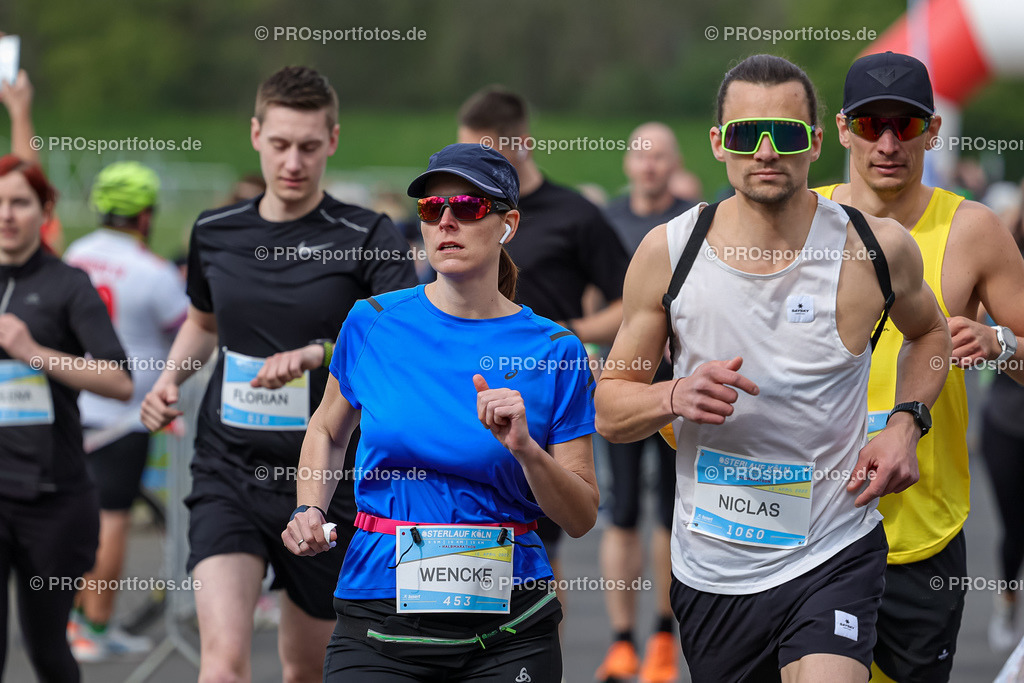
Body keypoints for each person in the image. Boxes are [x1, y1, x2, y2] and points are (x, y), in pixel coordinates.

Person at [595, 54, 952, 682]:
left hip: (832, 549)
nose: (766, 151)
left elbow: (931, 335)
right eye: (745, 135)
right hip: (713, 569)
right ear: (717, 144)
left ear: (815, 143)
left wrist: (906, 422)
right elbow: (609, 407)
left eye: (785, 135)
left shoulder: (874, 249)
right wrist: (672, 396)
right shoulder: (668, 254)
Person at [139, 66, 417, 683]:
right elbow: (203, 325)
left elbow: (398, 342)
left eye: (310, 147)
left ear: (333, 142)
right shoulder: (215, 232)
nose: (293, 162)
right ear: (256, 134)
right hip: (227, 471)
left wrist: (318, 354)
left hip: (323, 483)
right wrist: (167, 379)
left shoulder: (367, 234)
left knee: (302, 668)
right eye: (281, 144)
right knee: (223, 662)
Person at [282, 142, 599, 682]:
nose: (446, 221)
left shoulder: (555, 349)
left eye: (469, 207)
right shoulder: (373, 321)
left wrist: (526, 450)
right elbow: (328, 429)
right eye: (432, 210)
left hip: (508, 625)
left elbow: (580, 516)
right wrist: (308, 509)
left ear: (508, 223)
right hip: (379, 610)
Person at [815, 51, 1024, 682]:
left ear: (932, 130)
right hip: (811, 530)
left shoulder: (973, 230)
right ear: (844, 128)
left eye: (904, 126)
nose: (886, 142)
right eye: (871, 123)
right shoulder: (800, 220)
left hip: (920, 534)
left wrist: (1001, 344)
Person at [457, 85, 629, 614]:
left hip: (542, 406)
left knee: (533, 560)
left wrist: (571, 331)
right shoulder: (466, 212)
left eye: (487, 153)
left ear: (522, 142)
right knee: (467, 544)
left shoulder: (574, 214)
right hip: (470, 392)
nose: (473, 170)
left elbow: (633, 301)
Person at [0, 154, 132, 681]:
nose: (6, 214)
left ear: (44, 211)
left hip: (52, 499)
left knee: (48, 649)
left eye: (20, 203)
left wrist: (33, 352)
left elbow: (120, 381)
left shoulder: (68, 285)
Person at [62, 161, 189, 661]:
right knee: (111, 519)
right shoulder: (154, 273)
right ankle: (93, 626)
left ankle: (75, 620)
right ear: (145, 215)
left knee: (78, 517)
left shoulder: (76, 254)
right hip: (128, 413)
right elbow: (188, 338)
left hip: (75, 403)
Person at [596, 121, 693, 683]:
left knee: (670, 514)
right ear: (628, 163)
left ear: (675, 162)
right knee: (623, 512)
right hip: (624, 385)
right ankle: (620, 641)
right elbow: (596, 296)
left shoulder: (695, 220)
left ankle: (662, 636)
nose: (651, 165)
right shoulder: (608, 220)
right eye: (641, 155)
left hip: (681, 387)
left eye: (661, 156)